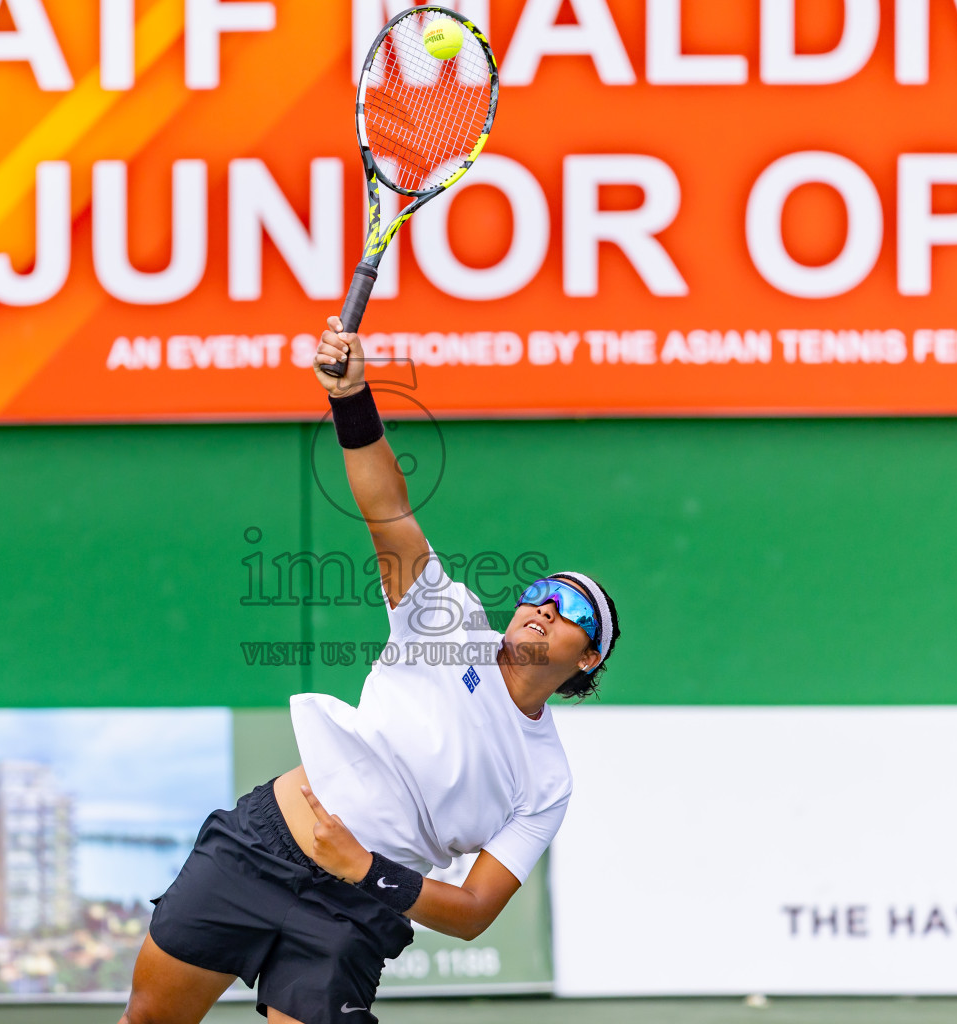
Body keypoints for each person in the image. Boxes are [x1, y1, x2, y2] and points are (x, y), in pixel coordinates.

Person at [120, 317, 623, 1024]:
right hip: (264, 844)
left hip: (357, 906)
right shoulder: (447, 620)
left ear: (589, 657)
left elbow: (474, 910)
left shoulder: (547, 781)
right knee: (148, 1019)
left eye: (572, 609)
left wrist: (363, 868)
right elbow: (388, 509)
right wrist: (351, 397)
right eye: (541, 592)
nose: (545, 606)